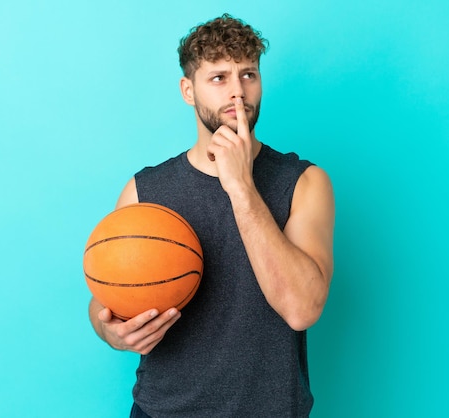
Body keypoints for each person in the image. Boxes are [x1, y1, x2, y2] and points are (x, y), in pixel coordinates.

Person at [88, 13, 334, 418]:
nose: (238, 92)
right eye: (219, 78)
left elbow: (302, 309)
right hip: (162, 411)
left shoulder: (305, 182)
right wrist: (109, 330)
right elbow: (102, 300)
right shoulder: (145, 190)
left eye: (248, 75)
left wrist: (241, 187)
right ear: (189, 90)